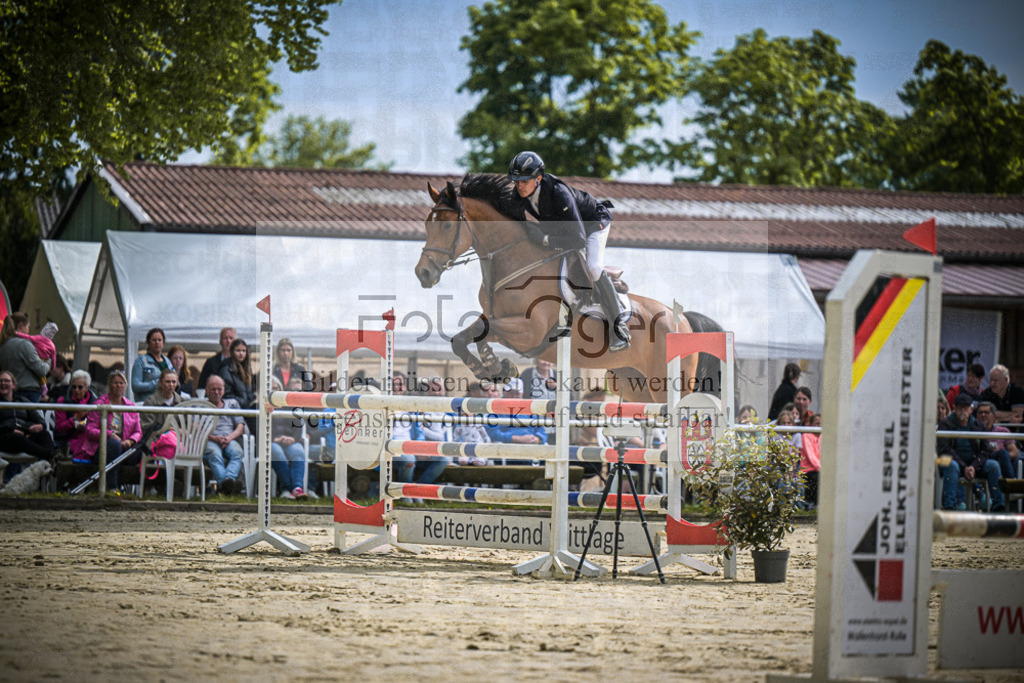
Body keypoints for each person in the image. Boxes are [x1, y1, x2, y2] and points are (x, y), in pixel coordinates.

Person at [506, 150, 629, 351]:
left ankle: (619, 327)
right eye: (516, 181)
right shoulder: (519, 193)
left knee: (593, 267)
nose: (519, 186)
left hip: (592, 225)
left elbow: (578, 240)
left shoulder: (558, 193)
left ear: (538, 179)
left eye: (524, 181)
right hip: (566, 229)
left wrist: (545, 240)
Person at [937, 393, 1004, 512]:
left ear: (971, 409)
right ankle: (949, 507)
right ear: (954, 408)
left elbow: (985, 450)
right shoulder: (945, 424)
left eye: (965, 407)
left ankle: (999, 506)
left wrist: (974, 466)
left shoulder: (979, 425)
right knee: (951, 465)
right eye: (959, 407)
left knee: (993, 465)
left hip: (974, 464)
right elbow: (945, 449)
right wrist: (964, 467)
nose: (962, 410)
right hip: (954, 462)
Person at [79, 370, 142, 490]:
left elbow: (138, 431)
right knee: (114, 445)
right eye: (115, 383)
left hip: (124, 447)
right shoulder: (99, 404)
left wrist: (130, 441)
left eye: (121, 383)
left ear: (125, 385)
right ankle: (113, 487)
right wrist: (110, 435)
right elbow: (90, 430)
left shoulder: (130, 406)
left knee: (140, 450)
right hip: (102, 447)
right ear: (109, 385)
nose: (118, 386)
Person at [0, 370, 56, 466]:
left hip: (25, 435)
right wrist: (10, 430)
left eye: (7, 381)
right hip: (5, 438)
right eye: (0, 381)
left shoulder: (23, 401)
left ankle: (50, 454)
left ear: (13, 385)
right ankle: (50, 455)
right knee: (17, 438)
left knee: (44, 435)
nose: (3, 383)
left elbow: (38, 418)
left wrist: (41, 425)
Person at [202, 375, 245, 495]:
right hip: (209, 440)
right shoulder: (200, 406)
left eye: (219, 389)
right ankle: (227, 484)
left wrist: (229, 438)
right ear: (206, 390)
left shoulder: (232, 404)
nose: (216, 392)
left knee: (237, 452)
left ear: (224, 390)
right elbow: (195, 427)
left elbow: (240, 426)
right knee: (214, 454)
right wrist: (214, 438)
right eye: (213, 389)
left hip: (229, 439)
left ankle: (225, 483)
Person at [271, 376, 311, 499]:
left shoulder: (290, 406)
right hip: (272, 441)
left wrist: (293, 439)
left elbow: (298, 425)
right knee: (277, 452)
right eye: (271, 388)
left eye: (276, 388)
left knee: (299, 451)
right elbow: (257, 428)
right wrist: (274, 439)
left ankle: (297, 487)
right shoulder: (261, 406)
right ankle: (291, 489)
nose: (274, 391)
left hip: (290, 440)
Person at [0, 313, 52, 403]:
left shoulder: (3, 345)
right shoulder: (24, 344)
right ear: (21, 325)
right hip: (28, 392)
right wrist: (49, 359)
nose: (28, 331)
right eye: (28, 327)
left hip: (9, 393)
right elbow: (41, 370)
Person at [54, 370, 97, 453]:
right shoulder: (63, 401)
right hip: (68, 439)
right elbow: (59, 428)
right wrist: (75, 419)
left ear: (87, 388)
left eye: (80, 387)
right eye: (74, 387)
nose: (76, 390)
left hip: (89, 437)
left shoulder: (94, 402)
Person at [974, 400, 1020, 479]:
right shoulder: (972, 431)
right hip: (980, 460)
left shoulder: (1003, 431)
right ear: (976, 415)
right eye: (980, 413)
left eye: (986, 412)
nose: (983, 415)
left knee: (1003, 453)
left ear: (993, 416)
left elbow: (1015, 452)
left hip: (1000, 460)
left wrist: (1001, 455)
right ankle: (1010, 481)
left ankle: (1009, 481)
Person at [140, 370, 184, 446]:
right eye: (167, 382)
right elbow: (147, 427)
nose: (171, 384)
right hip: (156, 443)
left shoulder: (182, 402)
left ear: (177, 383)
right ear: (160, 383)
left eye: (174, 382)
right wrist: (170, 430)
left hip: (179, 442)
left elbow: (186, 425)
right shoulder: (150, 402)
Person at [130, 327, 173, 403]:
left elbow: (175, 380)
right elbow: (135, 385)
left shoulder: (168, 362)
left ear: (163, 342)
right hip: (147, 403)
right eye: (154, 340)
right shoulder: (141, 361)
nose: (157, 342)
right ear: (148, 342)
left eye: (159, 340)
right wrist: (157, 384)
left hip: (165, 404)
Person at [520, 358, 557, 443]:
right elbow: (521, 397)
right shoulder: (527, 374)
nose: (546, 362)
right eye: (542, 359)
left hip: (554, 426)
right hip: (534, 426)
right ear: (536, 359)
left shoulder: (557, 375)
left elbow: (570, 396)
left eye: (548, 359)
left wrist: (558, 387)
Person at [219, 338, 256, 408]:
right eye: (238, 350)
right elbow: (226, 394)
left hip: (247, 408)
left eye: (243, 351)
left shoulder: (247, 369)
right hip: (234, 408)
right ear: (232, 352)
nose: (241, 353)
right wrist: (243, 403)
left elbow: (250, 392)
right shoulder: (226, 369)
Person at [197, 327, 237, 391]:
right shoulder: (210, 362)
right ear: (220, 341)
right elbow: (202, 386)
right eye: (225, 338)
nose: (228, 341)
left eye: (231, 338)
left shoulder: (241, 363)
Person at [799, 413, 822, 509]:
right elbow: (810, 455)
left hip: (819, 468)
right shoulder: (806, 436)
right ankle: (814, 503)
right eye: (816, 423)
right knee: (817, 478)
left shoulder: (822, 437)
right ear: (811, 424)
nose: (819, 426)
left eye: (821, 424)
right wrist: (821, 468)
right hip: (808, 470)